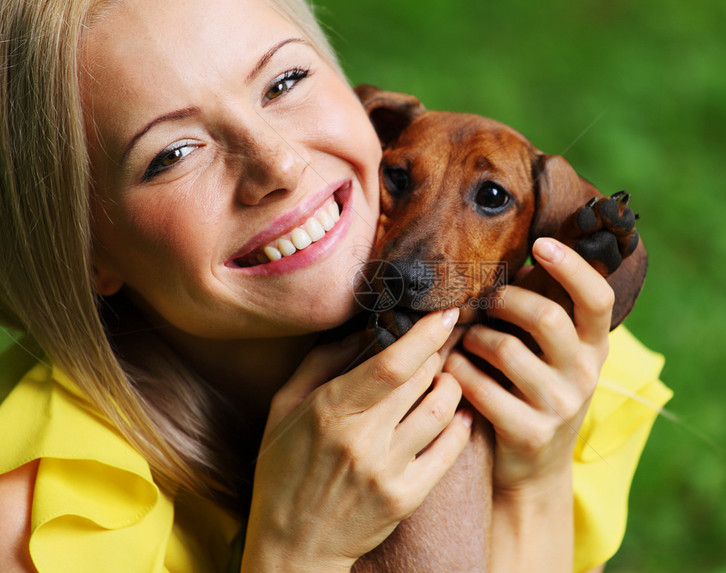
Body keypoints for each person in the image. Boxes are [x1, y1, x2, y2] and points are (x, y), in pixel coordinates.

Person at [0, 0, 672, 572]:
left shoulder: (544, 383)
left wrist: (532, 485)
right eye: (171, 153)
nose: (281, 163)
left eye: (285, 80)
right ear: (82, 250)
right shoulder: (48, 524)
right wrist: (293, 553)